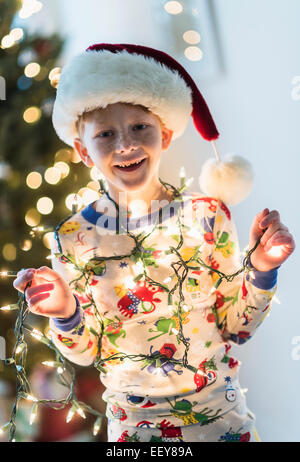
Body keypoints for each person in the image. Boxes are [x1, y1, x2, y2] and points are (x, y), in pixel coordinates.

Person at [13, 44, 295, 442]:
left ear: (164, 134)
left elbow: (238, 326)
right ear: (83, 151)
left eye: (139, 127)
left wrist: (262, 269)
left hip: (222, 419)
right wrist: (64, 309)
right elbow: (83, 350)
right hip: (133, 428)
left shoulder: (208, 216)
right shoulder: (73, 239)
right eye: (105, 134)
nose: (125, 144)